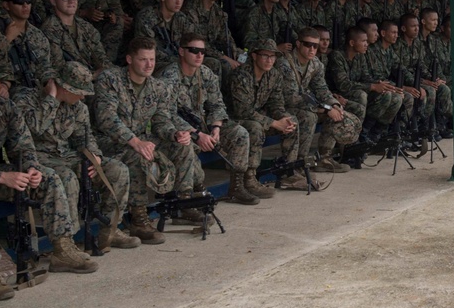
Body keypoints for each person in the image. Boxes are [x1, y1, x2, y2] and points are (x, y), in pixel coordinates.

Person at [0, 55, 98, 275]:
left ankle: (62, 249)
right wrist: (1, 178)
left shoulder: (5, 108)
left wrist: (31, 168)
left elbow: (23, 145)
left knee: (49, 178)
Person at [13, 61, 141, 252]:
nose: (82, 95)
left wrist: (95, 156)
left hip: (68, 155)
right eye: (79, 91)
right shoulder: (26, 99)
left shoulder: (78, 107)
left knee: (117, 169)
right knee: (68, 178)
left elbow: (85, 138)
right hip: (39, 158)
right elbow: (33, 129)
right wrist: (52, 99)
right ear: (63, 87)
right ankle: (67, 244)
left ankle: (110, 230)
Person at [93, 37, 202, 244]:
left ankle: (183, 204)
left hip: (141, 138)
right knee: (138, 155)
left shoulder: (157, 87)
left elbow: (161, 120)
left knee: (183, 147)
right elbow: (106, 119)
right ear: (129, 59)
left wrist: (175, 134)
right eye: (143, 59)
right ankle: (139, 219)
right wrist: (135, 141)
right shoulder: (110, 79)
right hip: (108, 141)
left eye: (151, 59)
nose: (149, 64)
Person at [160, 33, 269, 205]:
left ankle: (237, 187)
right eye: (194, 50)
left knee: (239, 133)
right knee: (186, 145)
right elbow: (167, 114)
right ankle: (194, 194)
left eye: (202, 51)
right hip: (182, 130)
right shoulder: (169, 77)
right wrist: (196, 134)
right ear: (181, 51)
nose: (199, 55)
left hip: (204, 125)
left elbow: (217, 104)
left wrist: (216, 127)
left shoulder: (205, 73)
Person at [281, 29, 361, 173]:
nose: (312, 49)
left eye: (315, 46)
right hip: (281, 106)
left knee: (336, 114)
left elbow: (321, 89)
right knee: (309, 117)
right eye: (308, 44)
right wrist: (325, 109)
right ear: (298, 44)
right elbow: (291, 99)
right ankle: (298, 163)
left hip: (303, 104)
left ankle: (325, 158)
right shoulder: (285, 64)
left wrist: (334, 105)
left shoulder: (315, 64)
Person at [227, 40, 304, 189]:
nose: (270, 60)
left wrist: (282, 118)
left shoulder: (274, 75)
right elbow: (242, 111)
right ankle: (250, 177)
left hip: (258, 116)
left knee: (291, 121)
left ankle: (289, 170)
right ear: (254, 56)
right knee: (255, 127)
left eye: (273, 57)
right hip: (235, 120)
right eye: (265, 56)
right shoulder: (241, 75)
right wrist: (274, 123)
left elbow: (276, 103)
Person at [41, 0, 110, 74]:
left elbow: (101, 57)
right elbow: (58, 67)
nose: (71, 1)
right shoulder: (49, 30)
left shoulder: (85, 26)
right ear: (53, 1)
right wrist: (92, 76)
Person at [0, 0, 54, 97]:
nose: (25, 6)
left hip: (35, 90)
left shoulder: (37, 35)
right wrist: (7, 40)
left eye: (28, 1)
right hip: (7, 91)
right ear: (6, 5)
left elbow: (44, 66)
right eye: (19, 1)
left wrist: (50, 84)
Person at [135, 0, 192, 70]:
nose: (178, 2)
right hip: (152, 64)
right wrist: (178, 60)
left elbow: (191, 42)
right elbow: (146, 48)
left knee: (211, 64)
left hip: (178, 61)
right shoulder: (147, 16)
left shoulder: (182, 18)